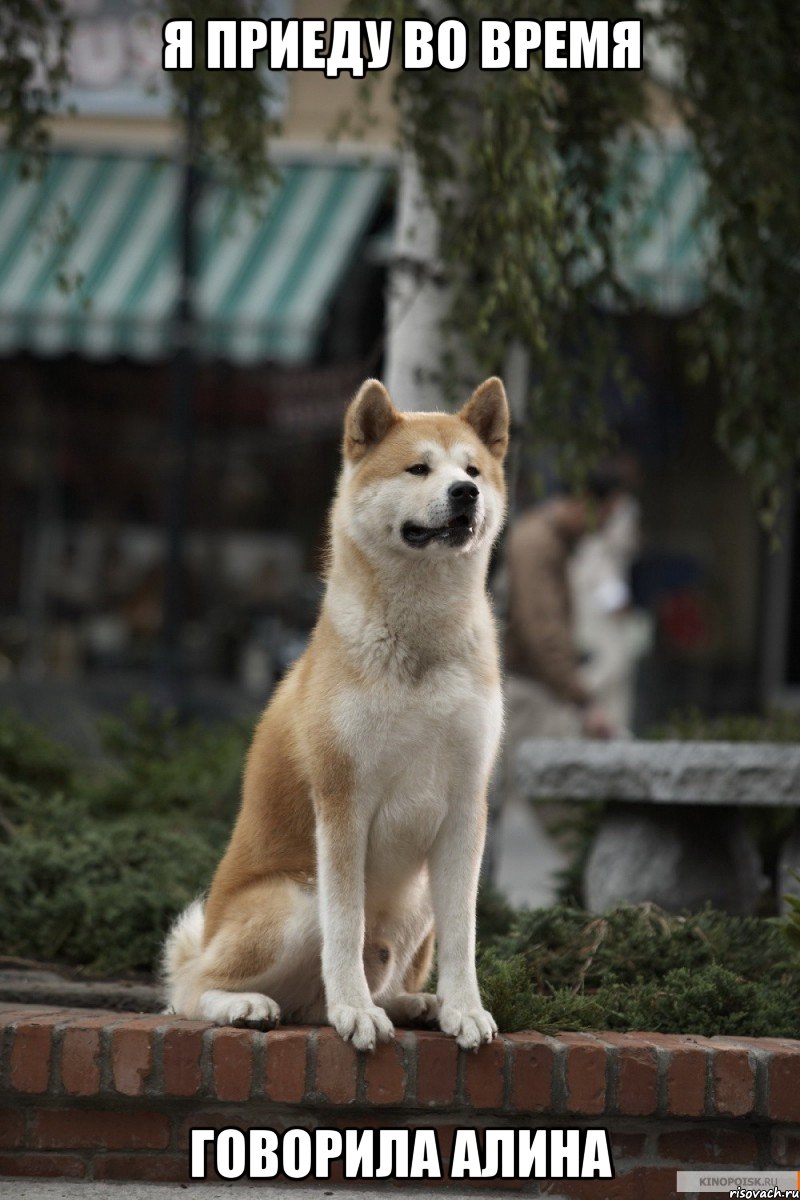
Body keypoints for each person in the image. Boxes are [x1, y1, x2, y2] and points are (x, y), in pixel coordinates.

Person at [504, 470, 627, 743]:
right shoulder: (538, 544)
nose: (605, 527)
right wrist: (583, 701)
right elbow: (542, 630)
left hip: (537, 687)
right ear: (586, 502)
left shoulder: (551, 541)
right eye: (606, 515)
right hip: (527, 691)